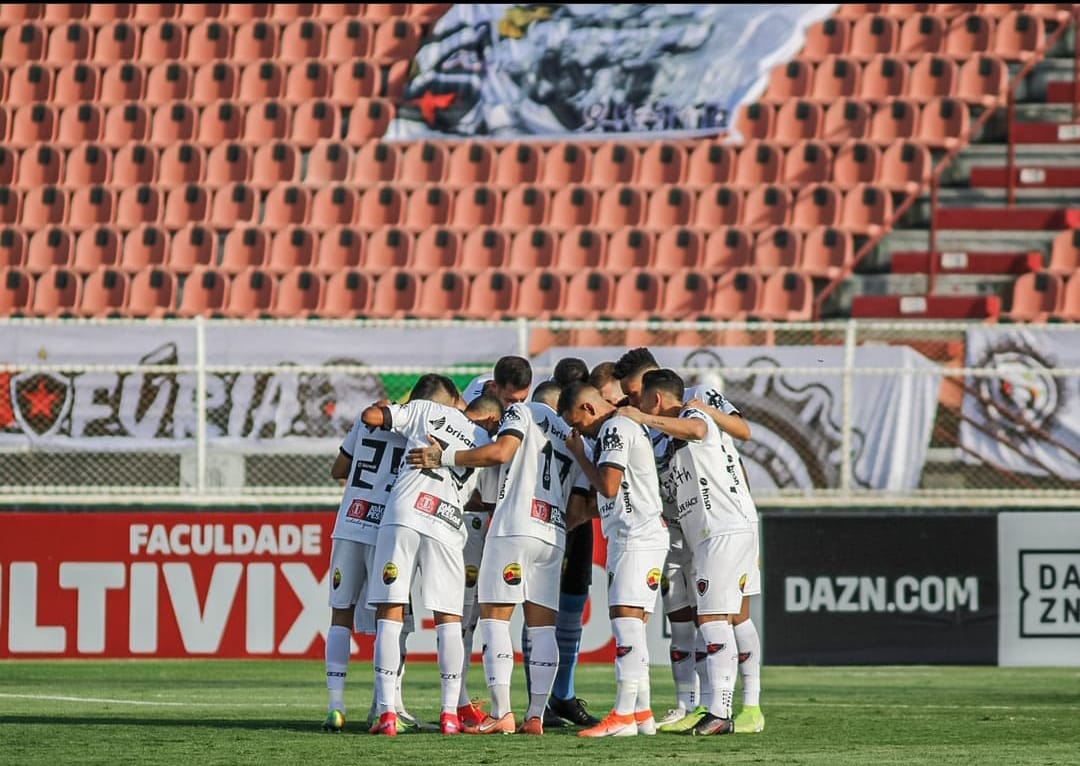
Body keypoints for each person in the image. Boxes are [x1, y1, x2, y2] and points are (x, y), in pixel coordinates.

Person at [406, 380, 591, 735]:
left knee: (495, 619)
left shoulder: (522, 413)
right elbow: (582, 505)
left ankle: (501, 712)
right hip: (552, 532)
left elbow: (500, 455)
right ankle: (535, 714)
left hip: (514, 527)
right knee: (542, 627)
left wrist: (443, 458)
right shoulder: (572, 435)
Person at [613, 347, 764, 735]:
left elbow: (707, 430)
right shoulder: (662, 425)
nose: (633, 403)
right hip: (708, 531)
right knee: (709, 618)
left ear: (654, 394)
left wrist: (644, 417)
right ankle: (707, 709)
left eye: (637, 396)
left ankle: (726, 711)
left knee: (717, 618)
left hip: (722, 528)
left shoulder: (693, 408)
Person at [361, 392, 503, 736]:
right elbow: (485, 499)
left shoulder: (428, 410)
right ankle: (449, 714)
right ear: (492, 420)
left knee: (390, 611)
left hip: (404, 514)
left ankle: (387, 714)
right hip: (446, 521)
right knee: (449, 619)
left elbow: (371, 417)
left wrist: (388, 408)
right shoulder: (485, 443)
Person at [321, 373, 457, 733]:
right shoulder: (416, 428)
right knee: (394, 617)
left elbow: (338, 469)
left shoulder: (368, 420)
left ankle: (335, 705)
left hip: (349, 521)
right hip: (387, 527)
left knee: (340, 615)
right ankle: (387, 706)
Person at [559, 382, 668, 738]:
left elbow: (608, 485)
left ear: (588, 409)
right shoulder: (619, 427)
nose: (577, 431)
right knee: (633, 623)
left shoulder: (615, 428)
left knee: (625, 623)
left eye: (574, 422)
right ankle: (642, 714)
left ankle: (622, 715)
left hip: (636, 535)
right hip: (637, 533)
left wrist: (579, 454)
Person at [456, 355, 534, 726]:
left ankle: (477, 702)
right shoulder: (475, 395)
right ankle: (456, 699)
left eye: (522, 397)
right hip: (468, 517)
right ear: (494, 389)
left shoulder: (520, 411)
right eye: (510, 398)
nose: (515, 404)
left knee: (488, 613)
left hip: (498, 515)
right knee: (464, 613)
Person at [544, 357, 601, 727]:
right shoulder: (539, 413)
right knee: (541, 610)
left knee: (568, 604)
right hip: (543, 521)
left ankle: (559, 696)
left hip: (567, 522)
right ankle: (544, 700)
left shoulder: (593, 428)